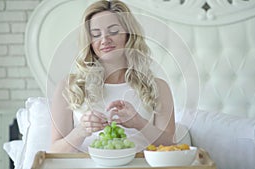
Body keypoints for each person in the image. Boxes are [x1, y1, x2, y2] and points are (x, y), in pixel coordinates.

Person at [50, 0, 175, 153]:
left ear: (129, 35)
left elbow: (171, 146)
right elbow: (54, 152)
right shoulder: (70, 86)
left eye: (114, 31)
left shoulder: (158, 87)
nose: (104, 40)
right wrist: (81, 131)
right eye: (96, 34)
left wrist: (139, 123)